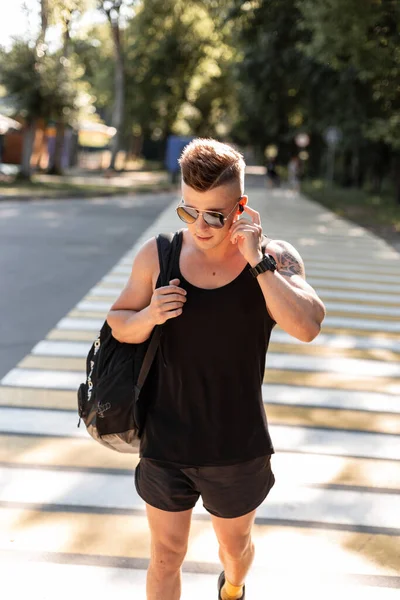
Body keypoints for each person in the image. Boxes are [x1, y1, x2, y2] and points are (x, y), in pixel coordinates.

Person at [107, 139, 326, 600]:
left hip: (236, 443)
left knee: (235, 548)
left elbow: (307, 326)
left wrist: (257, 262)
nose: (201, 227)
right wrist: (149, 316)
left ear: (241, 208)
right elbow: (118, 323)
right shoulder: (160, 254)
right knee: (165, 555)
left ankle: (234, 584)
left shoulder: (273, 258)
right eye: (189, 211)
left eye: (215, 215)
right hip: (165, 438)